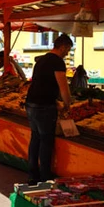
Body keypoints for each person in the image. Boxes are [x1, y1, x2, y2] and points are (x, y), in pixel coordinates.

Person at [25, 34, 73, 185]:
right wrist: (67, 104)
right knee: (46, 141)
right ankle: (45, 177)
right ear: (63, 46)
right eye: (68, 50)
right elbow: (63, 86)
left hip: (31, 102)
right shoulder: (57, 62)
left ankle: (33, 175)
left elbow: (39, 83)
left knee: (35, 138)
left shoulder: (41, 60)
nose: (67, 53)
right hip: (44, 106)